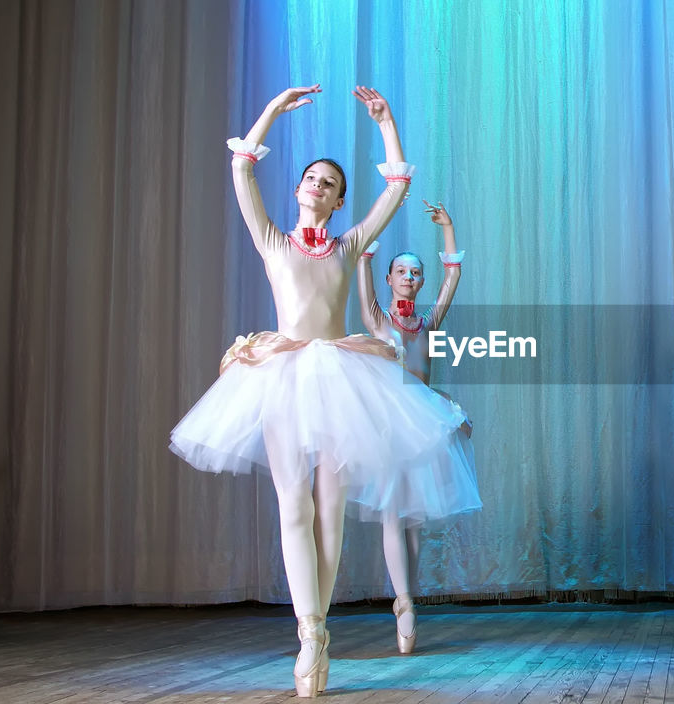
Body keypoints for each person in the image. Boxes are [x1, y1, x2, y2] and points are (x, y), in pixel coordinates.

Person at [170, 85, 469, 698]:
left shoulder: (349, 244)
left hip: (337, 375)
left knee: (329, 511)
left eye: (330, 182)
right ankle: (307, 631)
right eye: (312, 177)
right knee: (293, 507)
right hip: (282, 372)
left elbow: (396, 189)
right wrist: (273, 111)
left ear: (337, 201)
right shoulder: (273, 241)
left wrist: (386, 124)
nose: (318, 184)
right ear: (299, 189)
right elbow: (241, 168)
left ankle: (320, 632)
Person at [356, 200, 481, 654]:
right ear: (389, 278)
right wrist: (369, 243)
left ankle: (409, 604)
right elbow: (362, 256)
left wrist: (448, 229)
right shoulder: (376, 318)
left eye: (415, 272)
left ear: (420, 280)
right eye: (401, 272)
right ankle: (403, 602)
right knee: (393, 511)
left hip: (424, 419)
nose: (408, 277)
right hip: (389, 423)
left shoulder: (428, 323)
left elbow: (454, 278)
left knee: (413, 524)